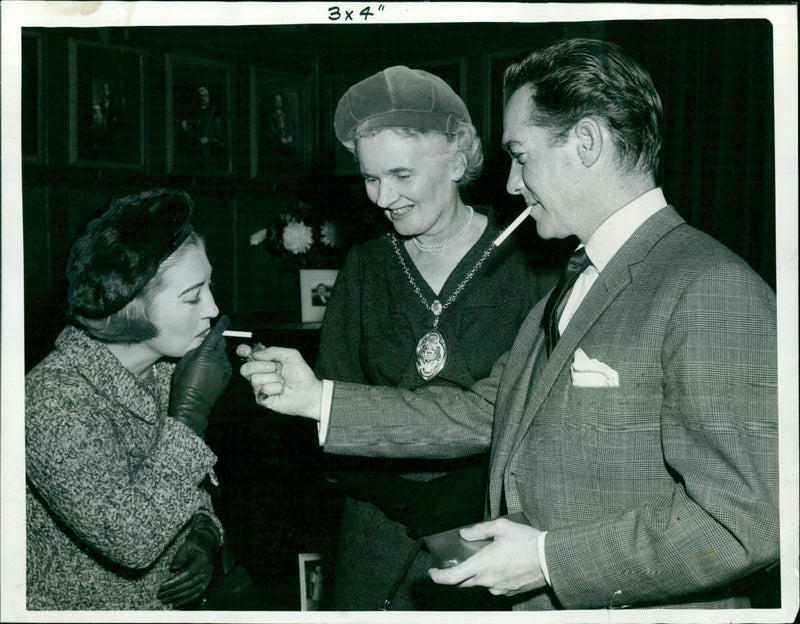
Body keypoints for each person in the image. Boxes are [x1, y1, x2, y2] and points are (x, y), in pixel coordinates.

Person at [241, 38, 779, 611]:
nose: (511, 183)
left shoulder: (707, 284)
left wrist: (546, 560)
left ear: (587, 142)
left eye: (521, 156)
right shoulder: (579, 278)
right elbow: (484, 411)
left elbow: (747, 523)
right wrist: (316, 399)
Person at [312, 65, 551, 610]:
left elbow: (541, 418)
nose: (382, 197)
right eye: (370, 178)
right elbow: (328, 410)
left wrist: (467, 495)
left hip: (495, 534)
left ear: (457, 161)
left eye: (401, 174)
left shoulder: (531, 262)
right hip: (376, 535)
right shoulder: (365, 267)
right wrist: (406, 499)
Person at [26, 189, 233, 610]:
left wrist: (204, 534)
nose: (212, 308)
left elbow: (184, 490)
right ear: (132, 307)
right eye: (193, 295)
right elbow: (131, 539)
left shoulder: (162, 371)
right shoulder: (50, 402)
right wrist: (190, 414)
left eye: (208, 286)